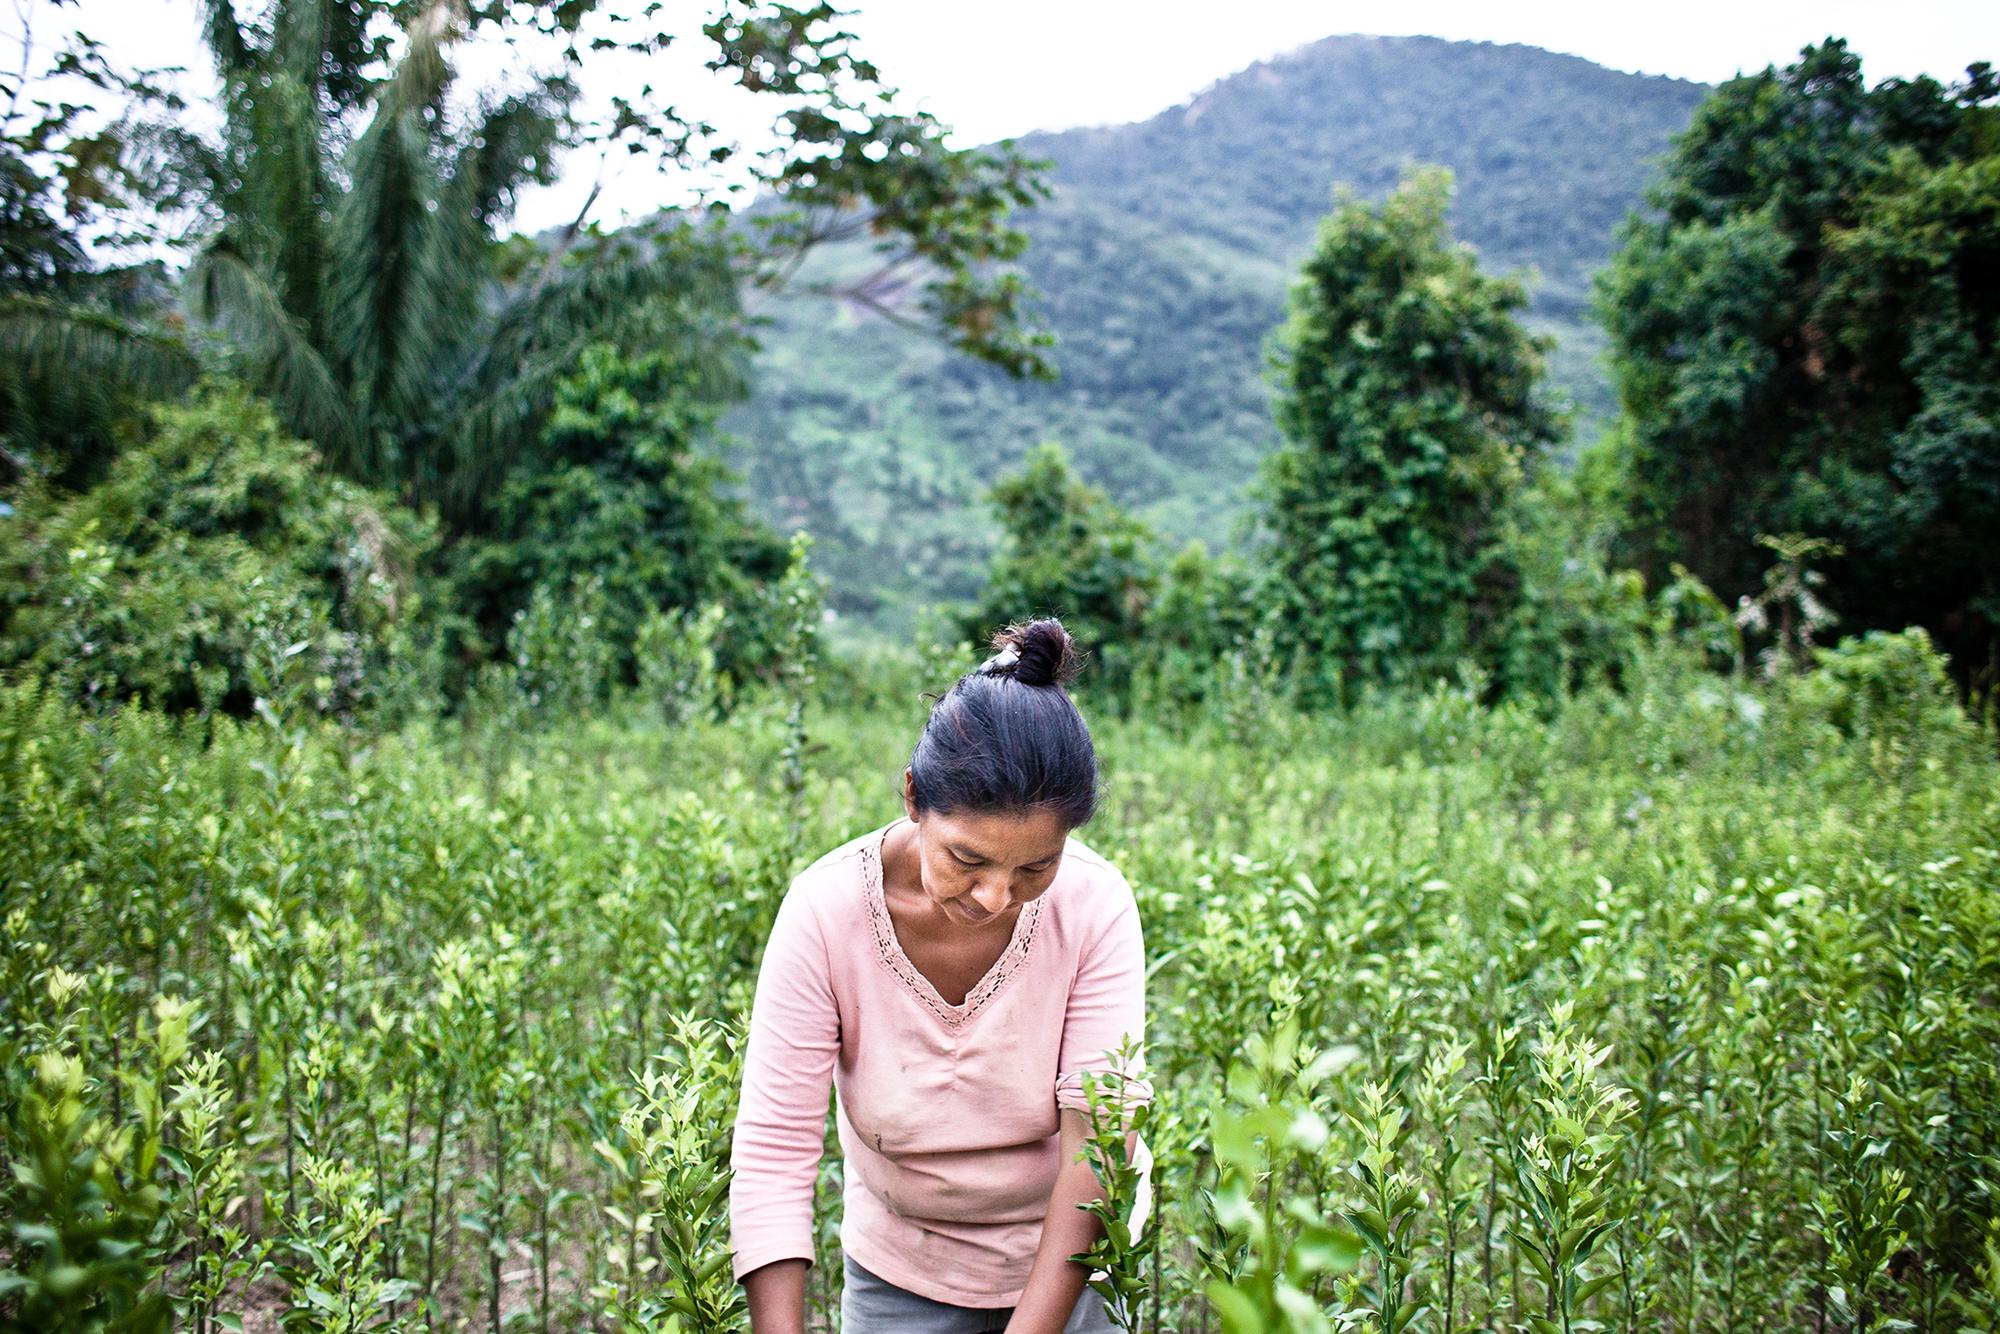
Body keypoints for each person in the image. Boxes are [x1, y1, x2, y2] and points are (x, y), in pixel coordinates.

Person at [729, 617, 1151, 1334]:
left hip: (1075, 1270)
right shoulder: (826, 912)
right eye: (967, 859)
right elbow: (774, 1151)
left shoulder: (1094, 904)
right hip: (902, 1268)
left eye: (1036, 867)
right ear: (913, 799)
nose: (995, 897)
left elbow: (1100, 1143)